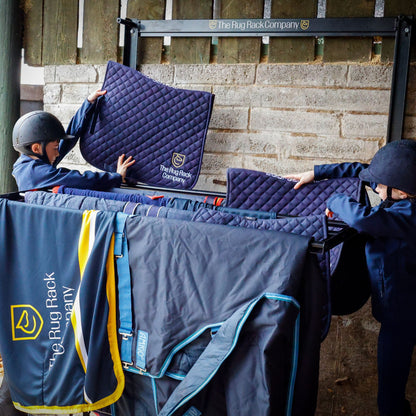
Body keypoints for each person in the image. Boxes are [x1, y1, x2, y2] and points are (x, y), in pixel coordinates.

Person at [286, 139, 416, 416]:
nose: (375, 188)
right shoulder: (402, 191)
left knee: (389, 398)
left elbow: (362, 219)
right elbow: (361, 169)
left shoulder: (409, 215)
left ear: (403, 192)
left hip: (403, 315)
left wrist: (335, 199)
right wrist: (317, 173)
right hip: (398, 307)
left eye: (380, 187)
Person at [12, 89, 135, 191]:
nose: (58, 153)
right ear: (36, 148)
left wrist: (88, 103)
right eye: (55, 148)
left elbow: (67, 140)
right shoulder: (35, 173)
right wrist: (116, 177)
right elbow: (79, 179)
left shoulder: (31, 162)